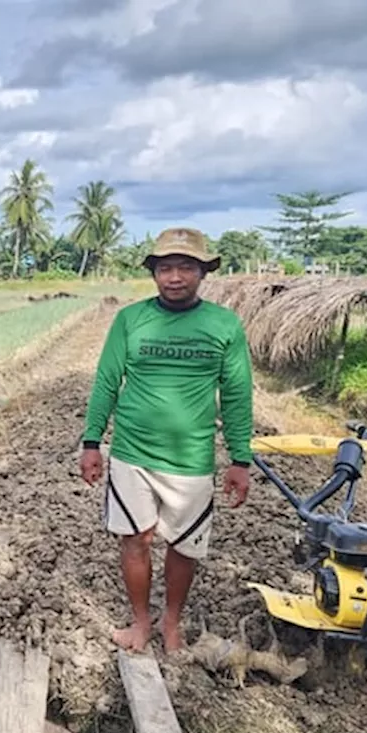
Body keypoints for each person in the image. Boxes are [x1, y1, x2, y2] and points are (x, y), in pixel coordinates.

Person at [79, 227, 253, 654]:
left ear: (203, 272)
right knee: (135, 540)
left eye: (186, 268)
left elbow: (236, 393)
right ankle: (141, 623)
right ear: (154, 273)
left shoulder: (224, 325)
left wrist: (240, 458)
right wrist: (91, 441)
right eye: (166, 268)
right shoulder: (131, 320)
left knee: (183, 545)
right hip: (131, 453)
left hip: (191, 459)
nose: (175, 277)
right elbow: (106, 382)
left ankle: (170, 622)